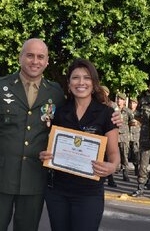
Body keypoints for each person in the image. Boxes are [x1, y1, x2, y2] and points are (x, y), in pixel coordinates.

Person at [0, 39, 121, 231]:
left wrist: (114, 115)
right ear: (20, 58)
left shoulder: (54, 93)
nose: (35, 61)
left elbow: (74, 123)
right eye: (30, 55)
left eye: (41, 57)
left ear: (47, 61)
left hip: (35, 180)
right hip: (0, 178)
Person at [39, 58, 120, 231]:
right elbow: (49, 147)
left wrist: (111, 166)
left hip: (89, 193)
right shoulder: (60, 112)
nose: (81, 82)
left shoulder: (106, 113)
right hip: (57, 192)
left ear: (94, 83)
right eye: (75, 78)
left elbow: (114, 154)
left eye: (87, 77)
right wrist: (44, 155)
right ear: (69, 84)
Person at [101, 85, 119, 187]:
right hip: (99, 135)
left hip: (109, 134)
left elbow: (117, 118)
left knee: (110, 157)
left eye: (105, 92)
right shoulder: (95, 103)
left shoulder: (112, 105)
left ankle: (111, 178)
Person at [116, 92, 134, 182]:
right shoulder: (113, 109)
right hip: (114, 136)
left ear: (124, 101)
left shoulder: (128, 111)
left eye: (121, 99)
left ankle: (125, 174)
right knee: (113, 155)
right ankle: (110, 176)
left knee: (124, 156)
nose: (119, 101)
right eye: (118, 99)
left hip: (124, 137)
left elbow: (132, 122)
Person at [128, 97, 141, 176]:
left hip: (136, 135)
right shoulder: (126, 111)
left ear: (136, 104)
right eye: (130, 102)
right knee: (126, 152)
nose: (132, 104)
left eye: (134, 103)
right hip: (127, 134)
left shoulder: (138, 113)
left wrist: (138, 123)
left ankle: (136, 168)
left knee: (136, 152)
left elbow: (143, 122)